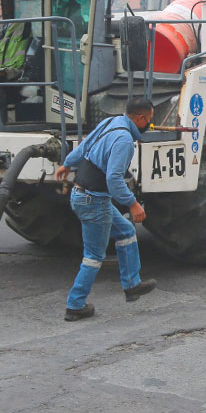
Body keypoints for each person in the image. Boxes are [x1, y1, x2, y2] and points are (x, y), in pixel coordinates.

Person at [54, 97, 158, 321]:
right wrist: (133, 203)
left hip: (85, 196)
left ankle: (132, 285)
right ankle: (75, 305)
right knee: (93, 256)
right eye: (149, 119)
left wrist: (67, 163)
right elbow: (114, 179)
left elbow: (84, 147)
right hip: (94, 201)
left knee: (126, 232)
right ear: (140, 118)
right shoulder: (123, 140)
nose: (150, 124)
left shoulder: (111, 122)